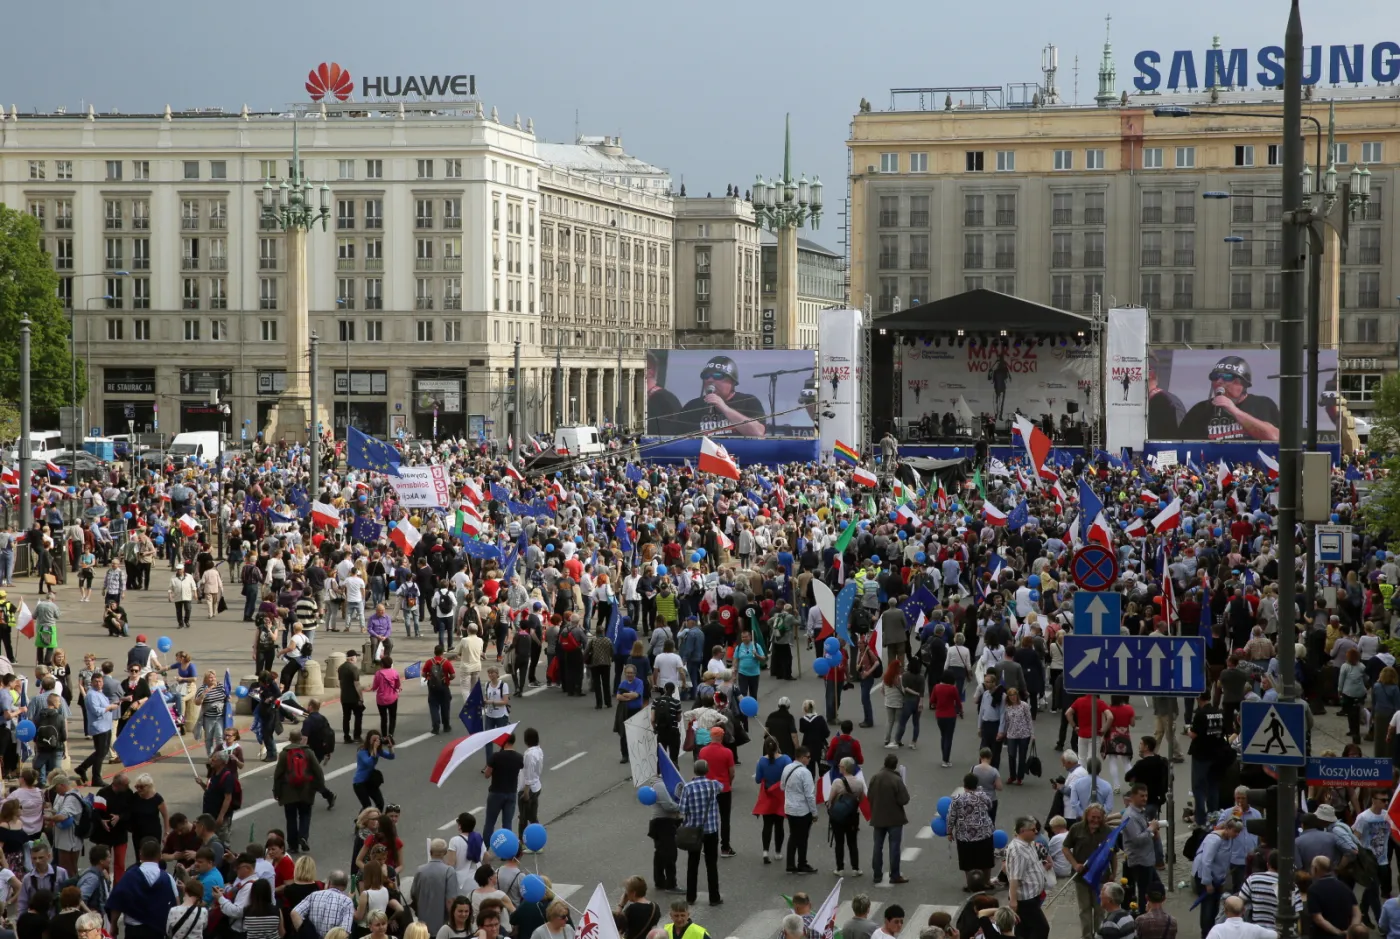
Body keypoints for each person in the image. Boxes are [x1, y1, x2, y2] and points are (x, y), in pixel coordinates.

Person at [1176, 355, 1281, 442]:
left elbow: (1274, 437)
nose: (1219, 381)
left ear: (1243, 383)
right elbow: (1182, 444)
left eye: (1227, 377)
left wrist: (1234, 410)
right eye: (1215, 377)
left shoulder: (1262, 404)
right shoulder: (1200, 410)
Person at [105, 837, 181, 939]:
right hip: (157, 930)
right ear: (160, 856)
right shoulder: (168, 878)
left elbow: (117, 901)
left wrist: (113, 924)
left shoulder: (129, 876)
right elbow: (176, 904)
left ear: (140, 854)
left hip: (134, 931)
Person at [676, 355, 766, 438]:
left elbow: (758, 433)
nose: (710, 380)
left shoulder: (748, 402)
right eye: (706, 376)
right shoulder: (692, 406)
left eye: (717, 376)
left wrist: (724, 408)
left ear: (732, 382)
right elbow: (676, 439)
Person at [273, 729, 326, 854]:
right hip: (306, 790)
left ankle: (293, 845)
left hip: (288, 792)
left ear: (290, 739)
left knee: (291, 818)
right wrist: (320, 787)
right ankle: (303, 837)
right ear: (301, 738)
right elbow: (318, 771)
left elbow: (278, 774)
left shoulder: (284, 754)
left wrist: (276, 791)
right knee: (305, 815)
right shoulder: (308, 752)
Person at [1063, 804, 1112, 939]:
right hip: (1081, 876)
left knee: (1099, 908)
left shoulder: (1107, 831)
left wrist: (1114, 872)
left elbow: (1112, 853)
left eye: (1099, 817)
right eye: (1093, 817)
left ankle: (1099, 935)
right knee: (1084, 909)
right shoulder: (1076, 828)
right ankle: (1087, 936)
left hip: (1101, 876)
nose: (1096, 820)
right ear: (1086, 816)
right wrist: (1074, 864)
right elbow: (1065, 848)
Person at [679, 761, 723, 907]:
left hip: (694, 831)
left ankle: (691, 897)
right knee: (711, 864)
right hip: (711, 830)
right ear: (707, 770)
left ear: (694, 771)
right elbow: (722, 787)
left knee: (693, 864)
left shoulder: (688, 787)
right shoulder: (713, 785)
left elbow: (682, 809)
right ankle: (714, 897)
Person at [1192, 819, 1243, 939]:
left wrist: (1222, 879)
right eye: (1235, 831)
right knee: (1208, 906)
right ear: (1227, 829)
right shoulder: (1214, 840)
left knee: (1215, 906)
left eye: (1239, 832)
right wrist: (1207, 882)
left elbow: (1224, 861)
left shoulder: (1229, 839)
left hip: (1217, 878)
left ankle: (1212, 931)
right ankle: (1205, 934)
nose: (1237, 834)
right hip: (1205, 877)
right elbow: (1206, 861)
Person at [946, 773, 995, 893]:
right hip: (984, 833)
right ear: (976, 785)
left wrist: (949, 832)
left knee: (967, 861)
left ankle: (970, 884)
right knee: (986, 859)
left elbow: (951, 816)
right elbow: (990, 805)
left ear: (964, 785)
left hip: (965, 835)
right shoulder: (982, 795)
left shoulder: (958, 799)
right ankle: (986, 882)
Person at [867, 753, 910, 886]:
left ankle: (877, 874)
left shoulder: (875, 777)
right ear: (895, 765)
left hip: (878, 817)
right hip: (894, 818)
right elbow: (904, 799)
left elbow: (869, 796)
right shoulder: (896, 779)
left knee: (877, 846)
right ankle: (895, 875)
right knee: (894, 847)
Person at [1005, 816, 1051, 939]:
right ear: (1022, 831)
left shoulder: (1029, 843)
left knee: (1024, 930)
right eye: (1033, 829)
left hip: (1033, 896)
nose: (1036, 831)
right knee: (1041, 928)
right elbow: (1014, 877)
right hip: (1025, 899)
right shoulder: (1018, 850)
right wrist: (1013, 901)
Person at [1121, 785, 1161, 911]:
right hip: (1140, 861)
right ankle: (1144, 917)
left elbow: (1143, 832)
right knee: (1146, 894)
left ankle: (1152, 914)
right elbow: (1137, 839)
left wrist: (1152, 833)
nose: (1145, 798)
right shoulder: (1130, 816)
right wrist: (1151, 829)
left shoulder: (1140, 812)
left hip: (1147, 859)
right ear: (1133, 797)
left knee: (1156, 888)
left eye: (1146, 795)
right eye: (1141, 796)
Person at [779, 746, 818, 874]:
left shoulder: (787, 768)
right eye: (808, 757)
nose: (809, 759)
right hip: (803, 810)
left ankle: (790, 864)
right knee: (803, 838)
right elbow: (810, 795)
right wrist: (814, 812)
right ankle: (802, 863)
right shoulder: (805, 773)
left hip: (789, 808)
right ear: (801, 757)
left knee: (793, 836)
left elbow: (782, 786)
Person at [751, 737, 789, 865]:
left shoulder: (762, 761)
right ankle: (778, 852)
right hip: (780, 795)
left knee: (767, 825)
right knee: (779, 825)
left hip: (767, 796)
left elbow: (758, 780)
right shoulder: (785, 759)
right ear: (777, 746)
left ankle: (765, 852)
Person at [827, 757, 865, 877]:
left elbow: (830, 800)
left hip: (838, 817)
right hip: (852, 816)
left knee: (839, 842)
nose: (839, 767)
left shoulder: (837, 782)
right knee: (852, 842)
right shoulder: (859, 783)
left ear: (844, 768)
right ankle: (855, 868)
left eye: (840, 765)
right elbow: (861, 799)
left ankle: (840, 868)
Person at [289, 871, 357, 939]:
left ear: (329, 882)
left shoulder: (314, 895)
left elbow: (295, 913)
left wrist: (304, 933)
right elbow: (345, 930)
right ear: (345, 886)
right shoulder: (347, 901)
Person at [411, 840, 458, 937]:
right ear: (445, 853)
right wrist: (453, 921)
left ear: (430, 852)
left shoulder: (420, 870)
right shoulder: (449, 871)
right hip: (441, 924)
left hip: (423, 923)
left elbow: (413, 893)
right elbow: (450, 900)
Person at [483, 732, 524, 836]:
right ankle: (508, 844)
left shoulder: (496, 756)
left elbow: (487, 774)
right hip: (511, 793)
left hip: (496, 792)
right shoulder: (519, 757)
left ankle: (486, 844)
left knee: (490, 823)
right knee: (507, 823)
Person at [1308, 856, 1360, 937]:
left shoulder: (1313, 890)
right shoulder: (1344, 887)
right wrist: (1350, 931)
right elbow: (1357, 913)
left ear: (1315, 869)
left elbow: (1318, 918)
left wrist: (1338, 932)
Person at [352, 731, 393, 811]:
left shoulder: (378, 751)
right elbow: (369, 763)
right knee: (367, 806)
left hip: (370, 781)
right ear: (368, 740)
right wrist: (374, 749)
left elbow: (391, 756)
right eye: (373, 740)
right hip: (359, 783)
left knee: (380, 803)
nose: (376, 742)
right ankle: (361, 819)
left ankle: (376, 818)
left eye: (377, 740)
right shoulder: (362, 751)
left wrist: (390, 747)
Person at [424, 645, 457, 735]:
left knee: (433, 707)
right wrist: (448, 679)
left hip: (432, 687)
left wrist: (429, 677)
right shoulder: (446, 662)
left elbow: (423, 673)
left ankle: (435, 727)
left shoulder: (429, 662)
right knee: (445, 706)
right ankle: (446, 726)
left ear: (434, 652)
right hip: (444, 686)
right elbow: (453, 675)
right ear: (443, 652)